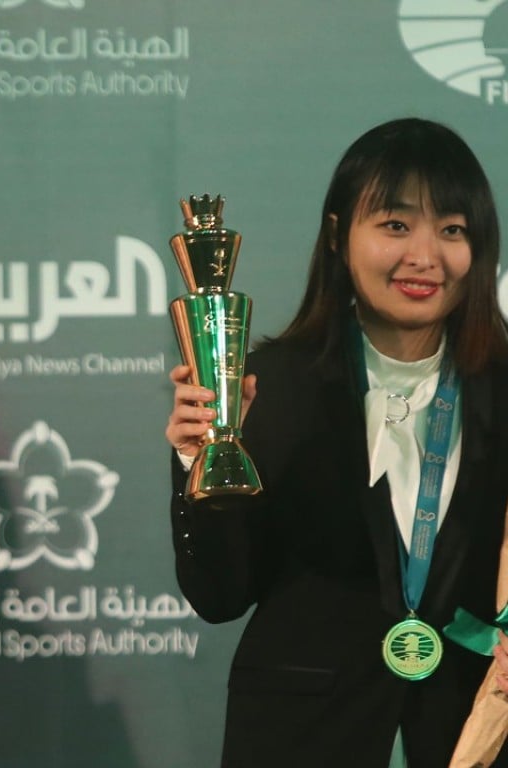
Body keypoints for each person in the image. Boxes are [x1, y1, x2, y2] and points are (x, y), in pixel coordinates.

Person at [166, 117, 508, 768]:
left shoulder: (503, 389)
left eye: (453, 229)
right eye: (396, 225)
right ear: (337, 235)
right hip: (306, 735)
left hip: (472, 733)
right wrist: (198, 454)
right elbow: (220, 595)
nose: (425, 256)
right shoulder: (271, 386)